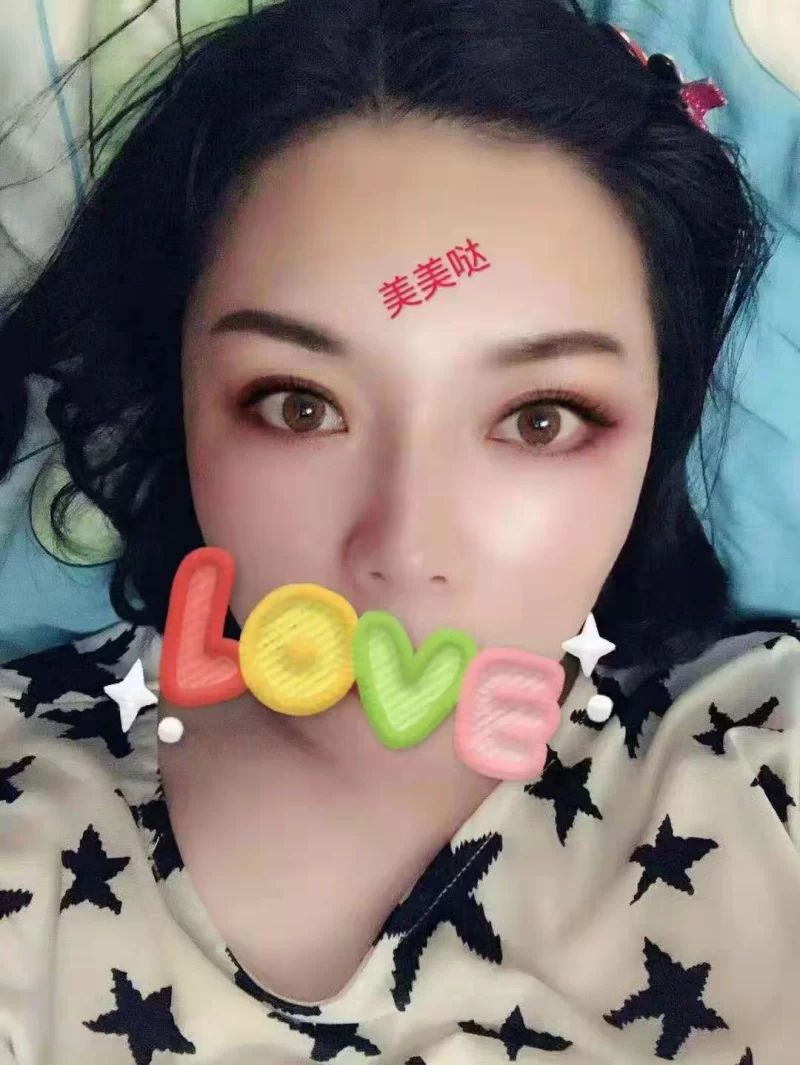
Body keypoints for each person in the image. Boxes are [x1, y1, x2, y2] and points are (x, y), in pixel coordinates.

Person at [0, 0, 798, 1061]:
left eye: (539, 419)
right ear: (180, 394)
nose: (403, 549)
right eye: (298, 405)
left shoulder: (769, 768)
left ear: (661, 423)